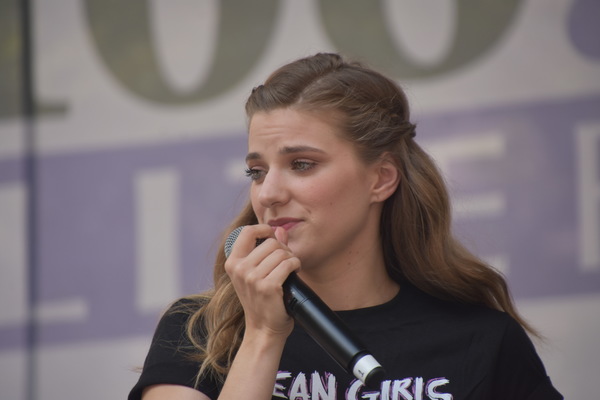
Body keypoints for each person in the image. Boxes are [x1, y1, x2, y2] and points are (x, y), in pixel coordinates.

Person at [129, 53, 562, 400]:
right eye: (256, 171)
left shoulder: (479, 339)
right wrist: (262, 336)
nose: (268, 193)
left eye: (301, 164)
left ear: (381, 178)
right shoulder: (200, 329)